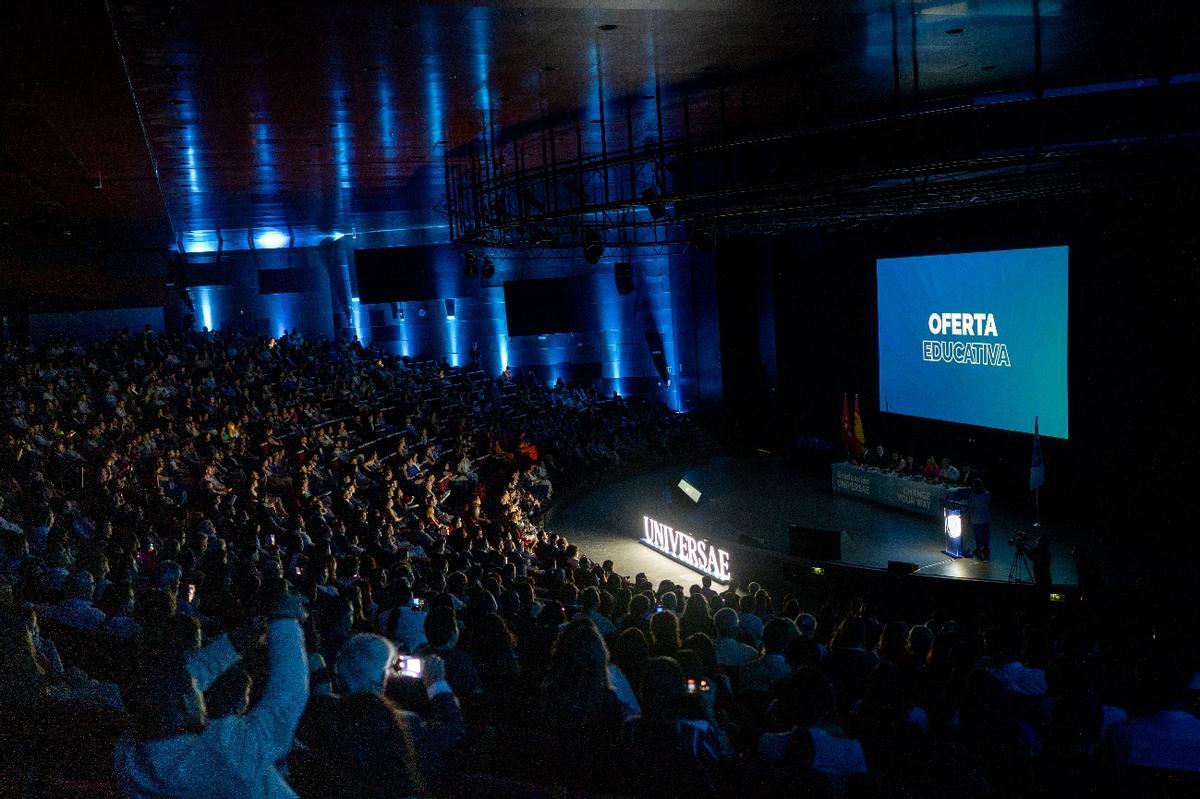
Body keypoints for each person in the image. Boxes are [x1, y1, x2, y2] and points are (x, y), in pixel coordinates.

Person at [114, 591, 308, 799]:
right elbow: (286, 700)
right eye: (196, 690)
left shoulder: (129, 757)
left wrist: (235, 643)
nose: (201, 690)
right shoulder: (223, 754)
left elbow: (178, 680)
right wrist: (285, 622)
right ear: (185, 705)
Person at [967, 479, 991, 559]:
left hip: (976, 519)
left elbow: (970, 506)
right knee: (985, 534)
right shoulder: (987, 494)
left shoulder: (973, 496)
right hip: (985, 518)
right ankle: (986, 548)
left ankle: (979, 549)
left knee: (978, 535)